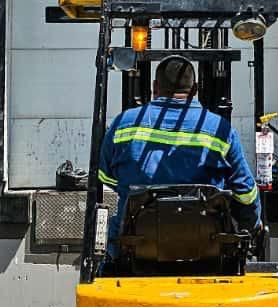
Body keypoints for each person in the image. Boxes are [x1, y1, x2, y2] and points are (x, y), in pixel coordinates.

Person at [99, 55, 262, 258]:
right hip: (207, 253)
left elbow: (105, 178)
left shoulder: (123, 124)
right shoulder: (220, 129)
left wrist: (140, 187)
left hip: (136, 252)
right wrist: (250, 227)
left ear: (154, 87)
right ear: (195, 90)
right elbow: (246, 193)